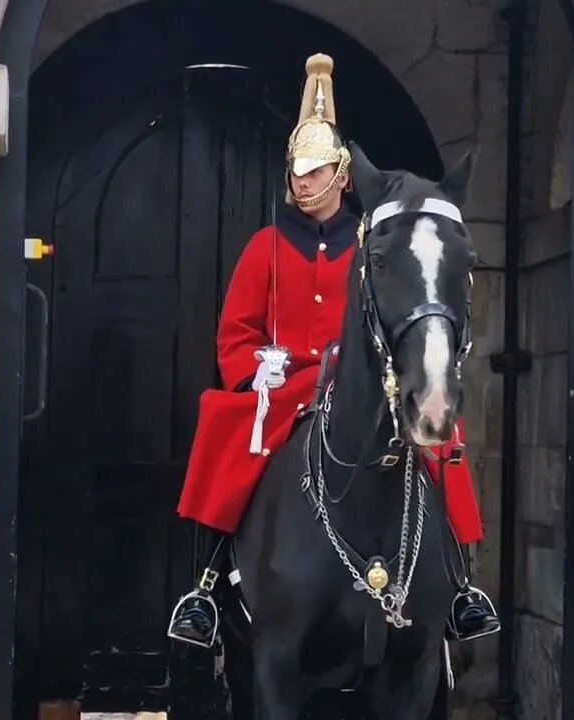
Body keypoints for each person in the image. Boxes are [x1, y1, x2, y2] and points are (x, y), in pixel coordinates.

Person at [167, 53, 500, 650]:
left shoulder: (374, 244)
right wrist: (253, 371)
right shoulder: (265, 246)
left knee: (441, 440)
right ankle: (208, 587)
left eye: (317, 171)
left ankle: (460, 585)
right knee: (223, 427)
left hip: (362, 383)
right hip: (287, 387)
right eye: (297, 169)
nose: (303, 180)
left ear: (343, 175)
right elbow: (234, 333)